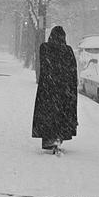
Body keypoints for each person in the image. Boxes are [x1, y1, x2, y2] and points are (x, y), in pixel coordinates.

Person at [32, 25, 78, 153]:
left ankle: (49, 140)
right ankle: (58, 138)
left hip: (47, 90)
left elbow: (43, 66)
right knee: (60, 115)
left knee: (48, 116)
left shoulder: (45, 48)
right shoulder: (67, 51)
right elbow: (73, 71)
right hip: (63, 90)